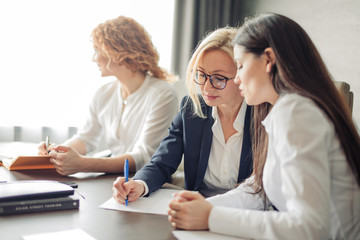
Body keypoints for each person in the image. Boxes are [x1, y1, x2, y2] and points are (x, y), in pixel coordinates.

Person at [168, 13, 360, 240]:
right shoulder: (283, 109)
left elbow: (310, 228)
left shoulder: (299, 114)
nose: (237, 79)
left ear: (268, 60)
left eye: (239, 66)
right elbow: (259, 190)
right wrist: (205, 207)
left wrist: (211, 217)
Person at [112, 27, 253, 203]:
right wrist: (139, 184)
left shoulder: (264, 115)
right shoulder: (191, 110)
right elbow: (162, 163)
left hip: (245, 212)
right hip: (196, 212)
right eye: (201, 74)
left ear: (242, 75)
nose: (207, 88)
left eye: (219, 78)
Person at [37, 16, 178, 176]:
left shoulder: (162, 94)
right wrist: (56, 152)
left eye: (97, 50)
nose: (93, 58)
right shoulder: (103, 93)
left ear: (117, 52)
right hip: (113, 178)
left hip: (143, 182)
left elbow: (143, 158)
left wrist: (83, 164)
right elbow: (86, 138)